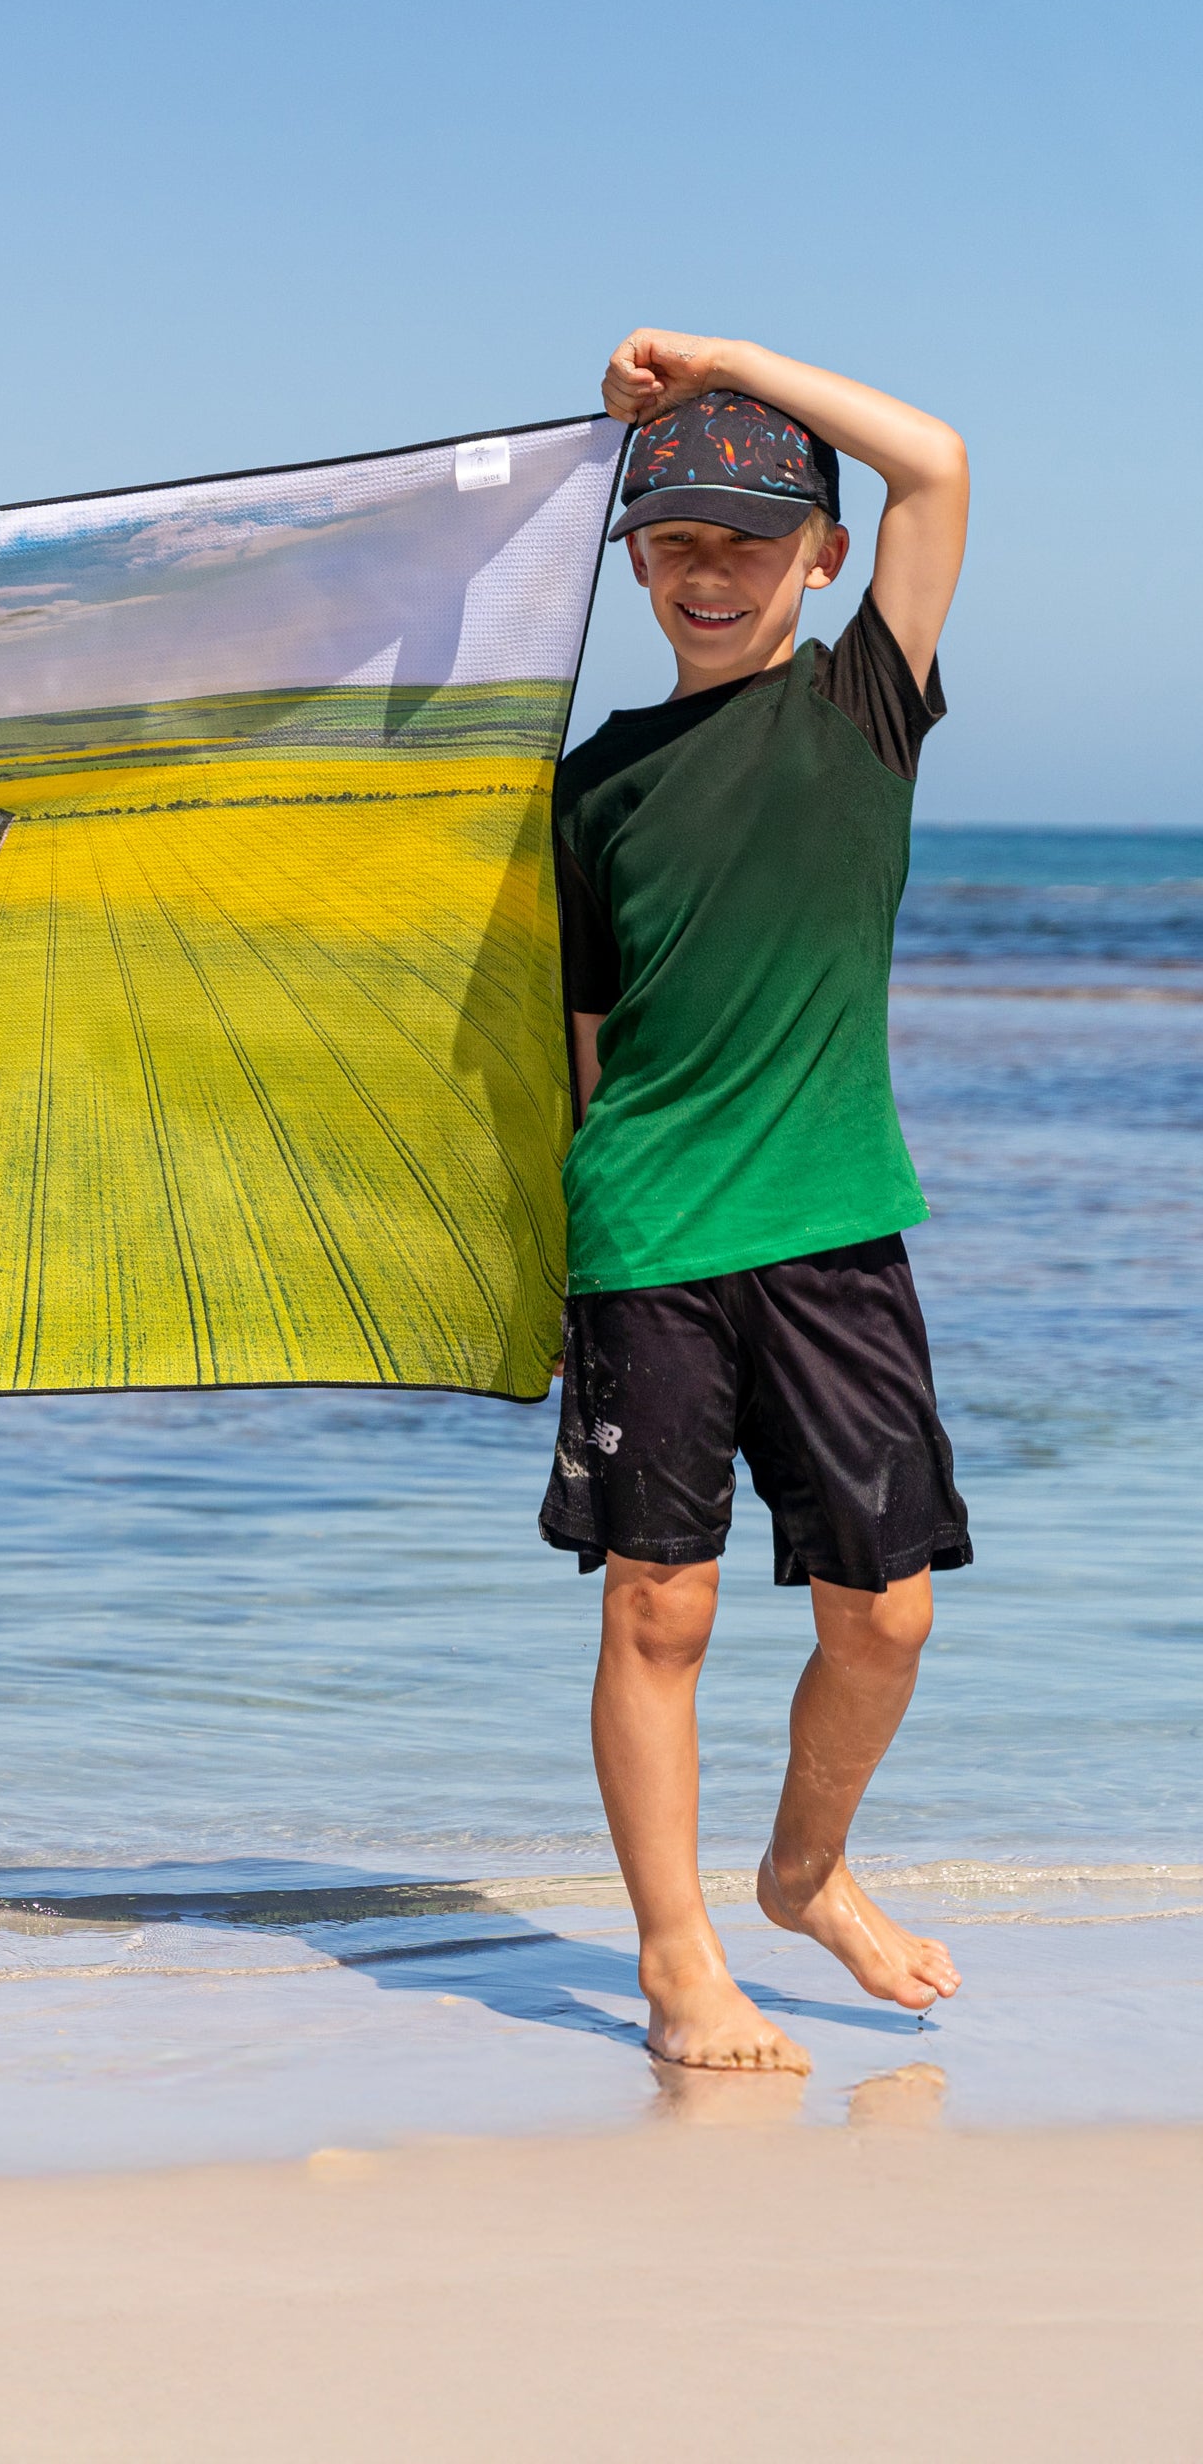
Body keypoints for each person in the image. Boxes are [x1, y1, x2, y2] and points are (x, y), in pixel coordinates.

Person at [545, 331, 971, 2073]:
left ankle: (805, 1873)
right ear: (635, 560)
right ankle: (676, 1962)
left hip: (829, 1221)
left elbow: (936, 460)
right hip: (648, 1230)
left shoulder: (864, 708)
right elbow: (584, 1051)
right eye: (671, 541)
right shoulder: (593, 787)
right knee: (663, 1608)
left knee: (888, 1612)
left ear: (824, 552)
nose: (705, 574)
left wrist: (720, 359)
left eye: (745, 537)